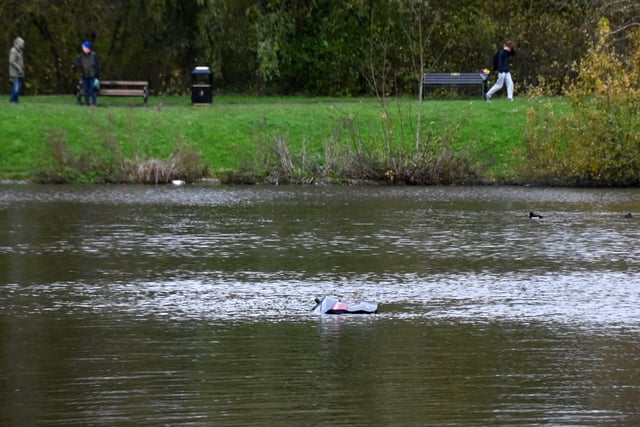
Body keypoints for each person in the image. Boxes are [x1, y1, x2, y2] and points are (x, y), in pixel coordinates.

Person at [75, 41, 100, 106]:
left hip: (92, 75)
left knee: (92, 90)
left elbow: (97, 66)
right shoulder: (81, 56)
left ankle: (94, 103)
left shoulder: (94, 55)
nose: (83, 49)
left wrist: (97, 76)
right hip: (84, 75)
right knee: (86, 90)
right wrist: (75, 65)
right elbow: (77, 63)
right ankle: (87, 103)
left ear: (88, 48)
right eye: (82, 47)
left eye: (84, 47)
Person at [9, 37, 25, 103]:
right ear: (18, 43)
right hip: (15, 72)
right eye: (22, 43)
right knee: (16, 87)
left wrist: (22, 67)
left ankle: (16, 100)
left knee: (18, 88)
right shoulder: (13, 50)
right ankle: (12, 101)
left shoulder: (20, 51)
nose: (23, 45)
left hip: (20, 73)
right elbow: (11, 61)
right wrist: (18, 67)